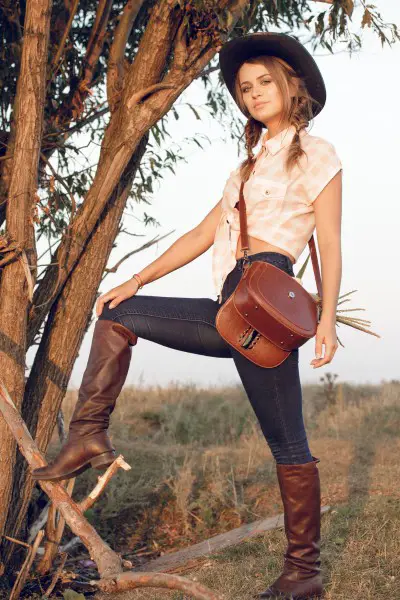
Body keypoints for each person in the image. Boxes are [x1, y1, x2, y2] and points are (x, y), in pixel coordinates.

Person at [32, 32, 343, 600]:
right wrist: (136, 279)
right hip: (227, 303)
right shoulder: (244, 169)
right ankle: (87, 434)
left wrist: (326, 324)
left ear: (290, 84)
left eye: (263, 82)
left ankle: (303, 574)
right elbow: (202, 235)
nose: (252, 94)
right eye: (244, 89)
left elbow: (331, 241)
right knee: (118, 314)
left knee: (289, 446)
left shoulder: (316, 153)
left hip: (265, 313)